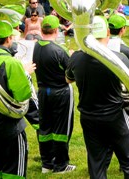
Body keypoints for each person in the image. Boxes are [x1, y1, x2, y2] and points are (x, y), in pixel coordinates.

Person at [65, 16, 129, 179]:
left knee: (96, 163)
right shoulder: (119, 58)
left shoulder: (76, 57)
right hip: (115, 116)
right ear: (107, 32)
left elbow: (68, 79)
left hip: (88, 117)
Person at [0, 20, 35, 178]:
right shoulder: (11, 63)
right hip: (10, 127)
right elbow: (23, 95)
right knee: (14, 172)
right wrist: (25, 74)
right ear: (9, 39)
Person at [33, 15, 75, 174]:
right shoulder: (59, 50)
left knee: (45, 127)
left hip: (43, 92)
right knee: (61, 128)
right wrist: (71, 56)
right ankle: (61, 165)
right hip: (61, 92)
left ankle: (46, 164)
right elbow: (71, 75)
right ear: (56, 30)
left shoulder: (36, 46)